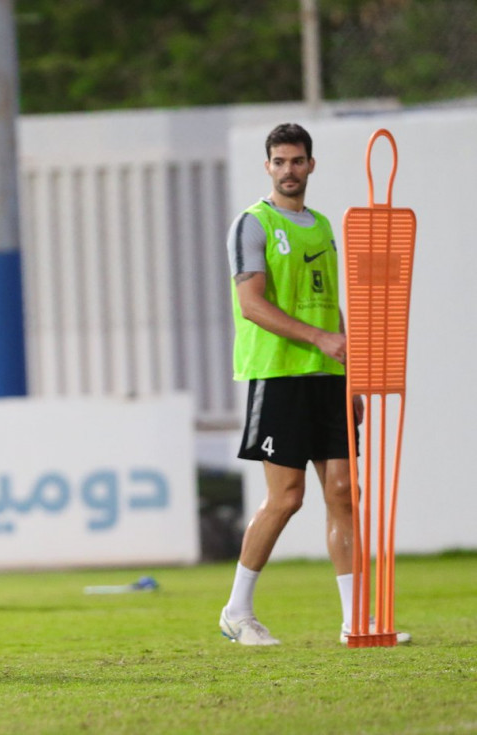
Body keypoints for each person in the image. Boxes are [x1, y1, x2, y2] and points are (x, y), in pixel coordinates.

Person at [219, 123, 410, 646]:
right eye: (279, 161)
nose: (288, 170)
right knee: (287, 498)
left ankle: (357, 622)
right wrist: (320, 340)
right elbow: (251, 305)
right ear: (267, 168)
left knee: (346, 493)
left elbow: (332, 306)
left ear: (311, 165)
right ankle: (237, 611)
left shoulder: (324, 225)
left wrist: (351, 373)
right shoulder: (252, 224)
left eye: (297, 161)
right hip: (278, 374)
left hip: (329, 378)